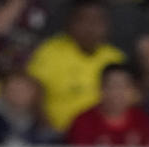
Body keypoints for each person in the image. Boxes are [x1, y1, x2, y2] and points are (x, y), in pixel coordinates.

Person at [26, 0, 125, 134]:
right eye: (83, 20)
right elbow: (32, 94)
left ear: (107, 25)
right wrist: (48, 128)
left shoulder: (115, 58)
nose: (90, 27)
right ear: (69, 23)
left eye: (97, 21)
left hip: (103, 137)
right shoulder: (50, 52)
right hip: (57, 136)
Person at [64, 63, 149, 147]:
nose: (118, 92)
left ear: (133, 90)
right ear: (101, 89)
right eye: (112, 86)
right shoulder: (83, 122)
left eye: (124, 86)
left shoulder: (142, 120)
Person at [0, 70, 57, 145]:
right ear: (3, 93)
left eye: (23, 90)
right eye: (13, 90)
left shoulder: (41, 122)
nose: (17, 94)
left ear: (35, 94)